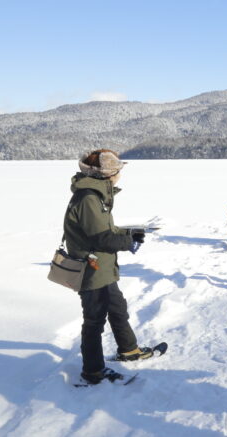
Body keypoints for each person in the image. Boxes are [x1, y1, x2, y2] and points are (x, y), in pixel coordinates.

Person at [63, 149, 153, 385]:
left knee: (117, 308)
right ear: (108, 174)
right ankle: (93, 372)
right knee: (94, 320)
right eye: (118, 170)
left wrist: (128, 233)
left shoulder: (97, 195)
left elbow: (103, 230)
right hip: (91, 270)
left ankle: (129, 349)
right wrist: (128, 241)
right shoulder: (89, 198)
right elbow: (100, 237)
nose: (120, 174)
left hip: (102, 268)